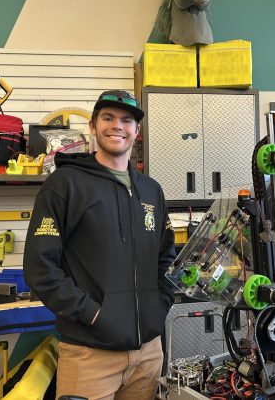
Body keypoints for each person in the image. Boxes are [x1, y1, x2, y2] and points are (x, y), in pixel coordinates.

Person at [24, 90, 176, 400]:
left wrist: (159, 304)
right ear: (93, 126)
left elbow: (165, 257)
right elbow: (40, 267)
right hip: (89, 354)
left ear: (136, 131)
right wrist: (92, 314)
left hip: (148, 353)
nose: (117, 126)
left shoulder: (151, 190)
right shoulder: (64, 185)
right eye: (108, 118)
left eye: (127, 120)